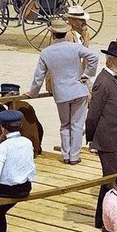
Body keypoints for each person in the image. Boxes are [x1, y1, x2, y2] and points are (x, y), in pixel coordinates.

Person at [26, 19, 99, 164]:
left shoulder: (46, 53)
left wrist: (33, 93)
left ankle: (66, 155)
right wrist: (87, 74)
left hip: (61, 93)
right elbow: (94, 56)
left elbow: (39, 76)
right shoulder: (74, 47)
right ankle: (74, 156)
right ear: (66, 33)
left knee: (65, 125)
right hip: (78, 90)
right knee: (77, 125)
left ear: (53, 34)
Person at [87, 41, 117, 228]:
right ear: (111, 60)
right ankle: (107, 221)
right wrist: (91, 139)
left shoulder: (112, 80)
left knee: (110, 179)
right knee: (112, 181)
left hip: (116, 139)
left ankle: (102, 219)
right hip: (108, 141)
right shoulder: (103, 82)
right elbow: (92, 115)